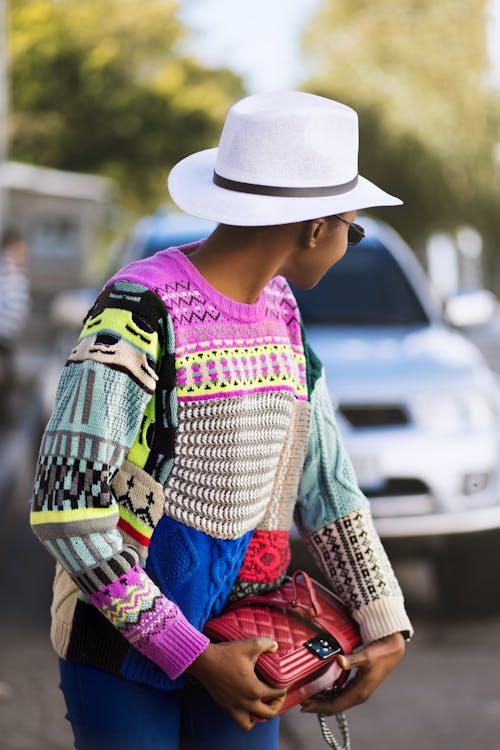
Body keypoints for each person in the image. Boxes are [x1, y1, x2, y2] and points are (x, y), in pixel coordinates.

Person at [30, 91, 413, 750]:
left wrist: (384, 619)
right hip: (120, 652)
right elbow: (67, 509)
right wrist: (191, 653)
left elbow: (326, 480)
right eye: (353, 229)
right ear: (314, 228)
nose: (350, 243)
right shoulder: (137, 309)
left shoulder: (283, 315)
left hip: (248, 641)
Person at [0, 227, 30, 420]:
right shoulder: (6, 269)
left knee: (9, 378)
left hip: (7, 336)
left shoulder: (14, 270)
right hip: (2, 335)